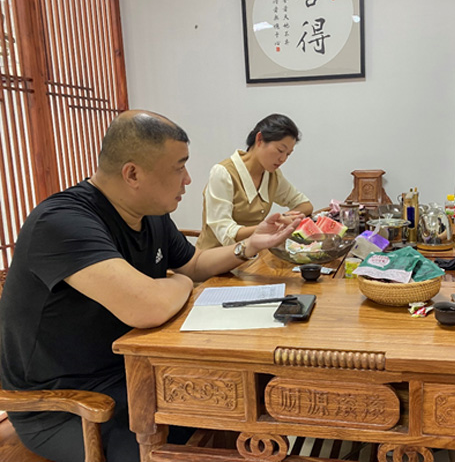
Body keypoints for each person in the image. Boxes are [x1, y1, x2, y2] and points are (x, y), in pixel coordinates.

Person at [0, 110, 301, 462]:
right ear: (133, 173)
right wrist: (180, 282)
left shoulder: (151, 214)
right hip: (67, 405)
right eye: (179, 167)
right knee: (196, 444)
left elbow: (194, 264)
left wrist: (249, 245)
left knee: (253, 407)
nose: (188, 179)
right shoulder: (63, 222)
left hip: (138, 372)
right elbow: (148, 307)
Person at [196, 113, 313, 250]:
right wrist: (269, 227)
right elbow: (226, 234)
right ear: (260, 139)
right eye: (280, 150)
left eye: (288, 154)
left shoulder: (272, 175)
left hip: (251, 255)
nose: (283, 159)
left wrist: (284, 217)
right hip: (214, 257)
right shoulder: (223, 173)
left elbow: (305, 205)